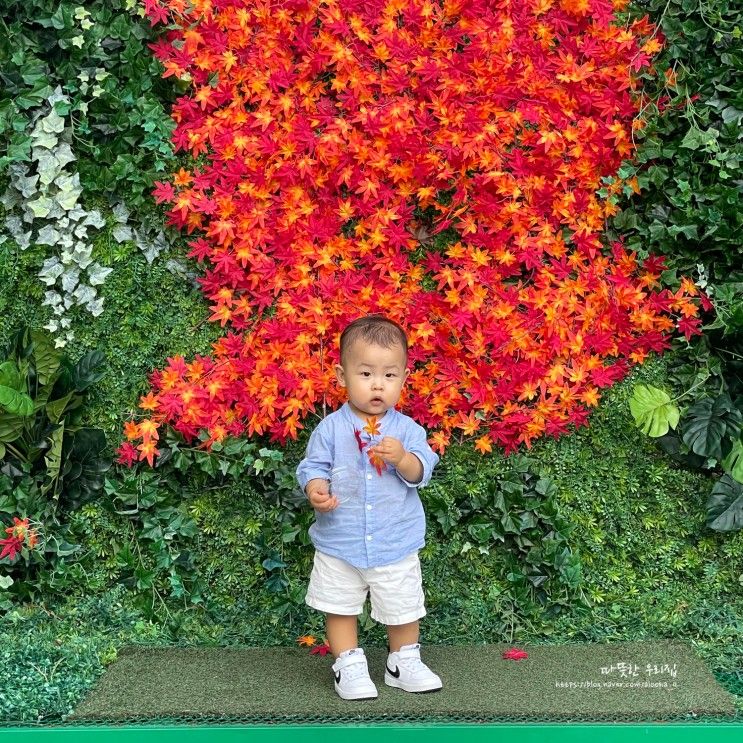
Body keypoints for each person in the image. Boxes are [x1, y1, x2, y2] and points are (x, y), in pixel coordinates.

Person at [296, 314, 443, 700]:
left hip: (395, 541)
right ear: (343, 376)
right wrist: (316, 488)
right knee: (340, 605)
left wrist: (402, 459)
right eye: (365, 374)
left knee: (402, 605)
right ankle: (349, 664)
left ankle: (402, 661)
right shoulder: (329, 429)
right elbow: (313, 466)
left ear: (403, 379)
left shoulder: (408, 430)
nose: (378, 384)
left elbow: (422, 470)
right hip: (339, 540)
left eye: (389, 376)